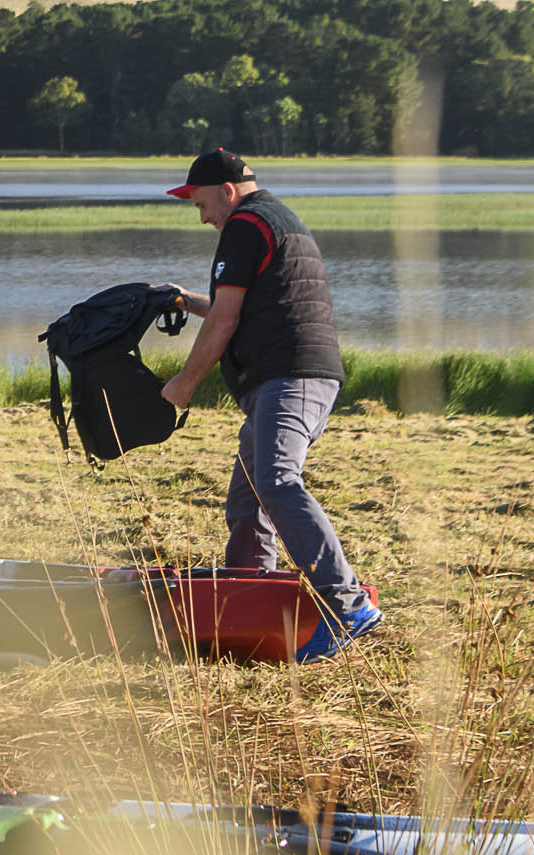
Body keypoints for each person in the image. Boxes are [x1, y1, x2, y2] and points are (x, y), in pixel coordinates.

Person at [156, 147, 381, 659]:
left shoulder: (244, 225)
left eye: (201, 204)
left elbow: (226, 322)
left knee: (277, 481)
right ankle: (249, 603)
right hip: (292, 377)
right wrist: (185, 299)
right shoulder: (274, 220)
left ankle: (348, 605)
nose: (202, 216)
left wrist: (183, 385)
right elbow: (238, 307)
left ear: (226, 192)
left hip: (290, 378)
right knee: (248, 496)